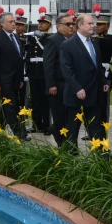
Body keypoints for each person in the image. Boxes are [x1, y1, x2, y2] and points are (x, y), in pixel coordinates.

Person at [59, 14, 109, 150]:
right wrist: (77, 88)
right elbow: (67, 71)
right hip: (76, 95)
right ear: (80, 25)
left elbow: (97, 66)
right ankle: (71, 159)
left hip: (94, 93)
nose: (93, 26)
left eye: (93, 23)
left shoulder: (94, 42)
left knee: (96, 127)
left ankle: (102, 158)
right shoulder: (67, 45)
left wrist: (104, 81)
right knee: (72, 130)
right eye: (89, 24)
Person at [0, 12, 27, 138]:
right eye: (10, 22)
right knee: (10, 106)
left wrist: (20, 78)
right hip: (3, 80)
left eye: (14, 21)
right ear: (2, 24)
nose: (14, 24)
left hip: (14, 79)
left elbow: (19, 60)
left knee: (6, 108)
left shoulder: (16, 38)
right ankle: (19, 133)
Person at [44, 12, 74, 146]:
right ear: (59, 26)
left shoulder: (73, 40)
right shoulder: (53, 40)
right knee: (59, 116)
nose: (71, 27)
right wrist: (51, 85)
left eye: (73, 24)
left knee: (69, 116)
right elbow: (48, 64)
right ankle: (62, 143)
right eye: (68, 24)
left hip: (70, 85)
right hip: (58, 85)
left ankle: (64, 137)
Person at [25, 6, 52, 133]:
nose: (40, 25)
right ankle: (36, 124)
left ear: (49, 25)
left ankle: (46, 125)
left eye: (43, 23)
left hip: (44, 71)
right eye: (40, 23)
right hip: (34, 71)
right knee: (35, 100)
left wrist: (41, 37)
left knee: (45, 100)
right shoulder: (32, 37)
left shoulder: (50, 38)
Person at [93, 4, 112, 126]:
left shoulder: (110, 38)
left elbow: (103, 42)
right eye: (97, 24)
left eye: (101, 24)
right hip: (94, 74)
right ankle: (94, 127)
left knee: (104, 102)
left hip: (105, 74)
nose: (97, 27)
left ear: (107, 26)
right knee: (94, 103)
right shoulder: (94, 38)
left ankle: (103, 125)